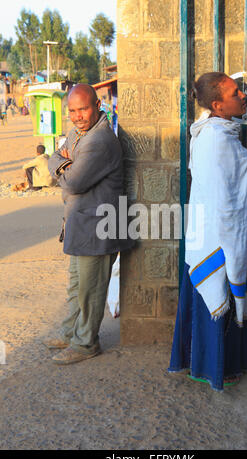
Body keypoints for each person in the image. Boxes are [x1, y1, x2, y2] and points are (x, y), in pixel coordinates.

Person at [168, 72, 247, 392]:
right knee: (218, 299)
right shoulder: (214, 139)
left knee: (220, 303)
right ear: (217, 105)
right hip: (218, 239)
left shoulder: (221, 132)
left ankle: (223, 363)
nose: (244, 96)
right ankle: (216, 368)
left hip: (220, 234)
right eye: (235, 93)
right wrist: (234, 248)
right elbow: (221, 202)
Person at [45, 84, 133, 365]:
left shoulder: (99, 140)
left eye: (83, 109)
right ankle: (72, 332)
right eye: (72, 110)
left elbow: (73, 182)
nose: (78, 116)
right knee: (76, 286)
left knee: (90, 289)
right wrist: (61, 160)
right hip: (83, 224)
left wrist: (59, 163)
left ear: (98, 106)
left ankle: (85, 344)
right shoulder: (78, 133)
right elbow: (57, 157)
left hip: (100, 226)